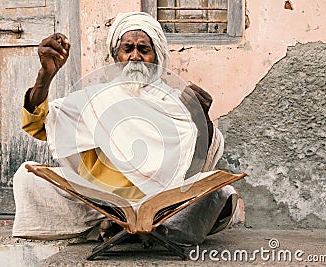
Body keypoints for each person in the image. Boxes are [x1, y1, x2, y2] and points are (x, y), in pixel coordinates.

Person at [13, 11, 240, 245]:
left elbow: (206, 157)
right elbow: (38, 125)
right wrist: (45, 76)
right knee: (28, 176)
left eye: (144, 50)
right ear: (116, 56)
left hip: (164, 202)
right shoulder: (93, 99)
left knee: (221, 193)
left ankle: (131, 229)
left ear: (157, 57)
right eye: (127, 48)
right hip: (104, 201)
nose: (134, 57)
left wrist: (201, 118)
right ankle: (129, 226)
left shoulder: (176, 101)